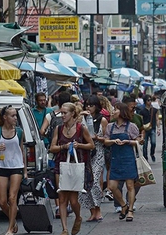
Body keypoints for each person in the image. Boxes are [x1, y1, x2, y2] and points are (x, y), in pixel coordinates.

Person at [49, 102, 95, 235]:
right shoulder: (58, 128)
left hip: (76, 165)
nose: (62, 115)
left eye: (65, 113)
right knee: (62, 198)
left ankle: (78, 217)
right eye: (61, 113)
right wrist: (63, 147)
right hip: (61, 165)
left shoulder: (81, 128)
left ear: (72, 114)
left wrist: (78, 145)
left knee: (74, 200)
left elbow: (91, 145)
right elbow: (52, 148)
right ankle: (64, 229)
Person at [0, 105, 26, 235]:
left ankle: (10, 229)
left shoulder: (19, 132)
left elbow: (22, 151)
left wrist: (25, 170)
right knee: (2, 202)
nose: (15, 118)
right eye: (12, 116)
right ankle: (13, 221)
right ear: (5, 117)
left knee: (12, 198)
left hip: (16, 166)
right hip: (2, 166)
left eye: (15, 116)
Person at [104, 102, 140, 222]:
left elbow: (138, 141)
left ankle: (130, 211)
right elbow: (106, 141)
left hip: (128, 159)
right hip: (115, 159)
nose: (113, 112)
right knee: (112, 186)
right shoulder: (110, 127)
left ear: (122, 112)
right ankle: (123, 205)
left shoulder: (131, 126)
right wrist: (113, 142)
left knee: (130, 185)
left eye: (115, 110)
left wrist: (128, 142)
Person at [40, 91, 72, 218]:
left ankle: (59, 206)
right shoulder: (73, 115)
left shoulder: (50, 115)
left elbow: (42, 131)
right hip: (70, 152)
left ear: (57, 102)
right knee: (68, 178)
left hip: (54, 151)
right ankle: (67, 204)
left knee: (55, 177)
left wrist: (49, 136)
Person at [78, 96, 108, 222]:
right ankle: (92, 210)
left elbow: (106, 139)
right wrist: (80, 116)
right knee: (84, 184)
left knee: (95, 181)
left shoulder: (103, 120)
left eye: (91, 105)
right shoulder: (82, 119)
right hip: (85, 153)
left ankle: (98, 208)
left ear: (96, 106)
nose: (89, 108)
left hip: (98, 152)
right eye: (87, 105)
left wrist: (97, 138)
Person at [144, 95, 161, 162]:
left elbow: (157, 119)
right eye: (148, 100)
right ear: (145, 101)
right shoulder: (142, 111)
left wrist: (158, 128)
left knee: (153, 143)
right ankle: (145, 158)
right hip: (145, 130)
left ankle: (152, 154)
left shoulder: (154, 110)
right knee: (145, 145)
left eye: (150, 100)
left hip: (153, 129)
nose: (150, 101)